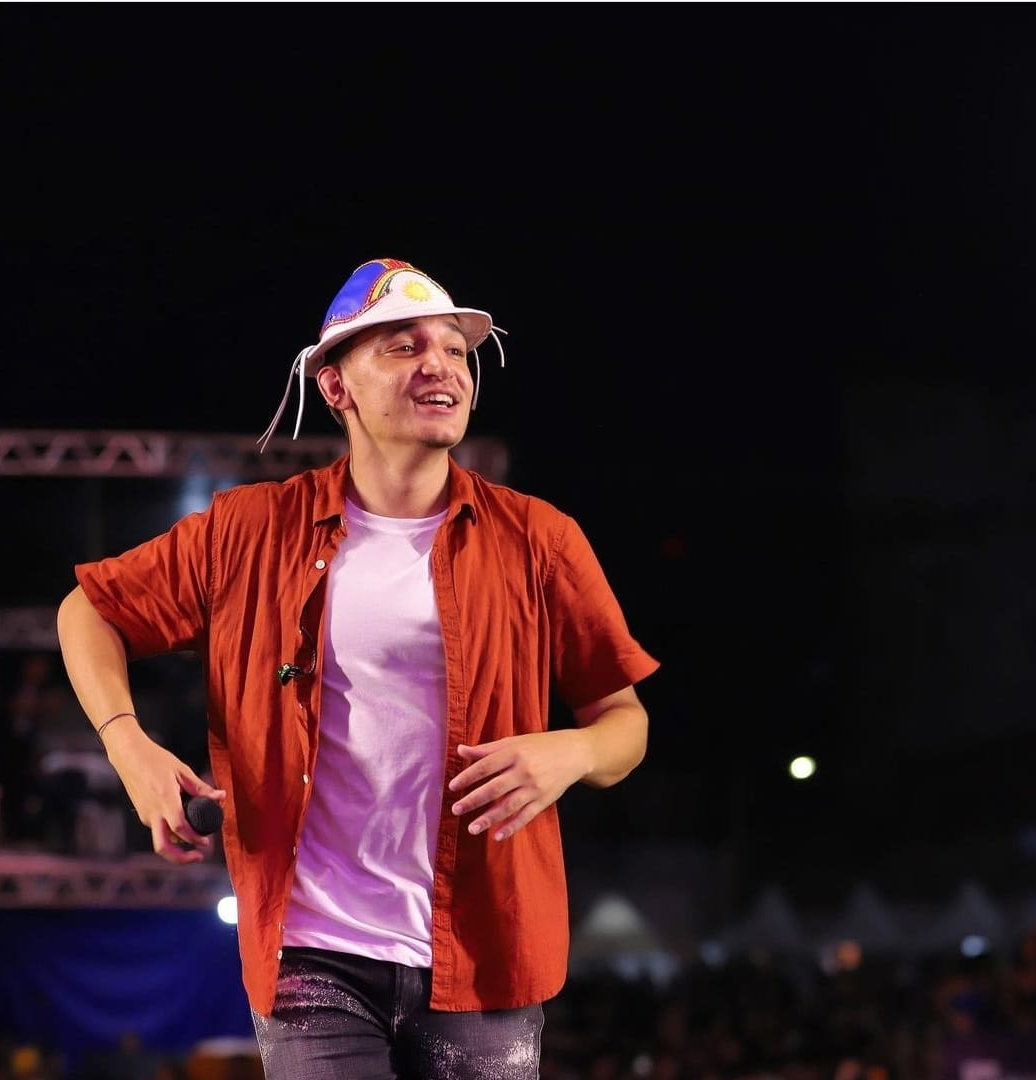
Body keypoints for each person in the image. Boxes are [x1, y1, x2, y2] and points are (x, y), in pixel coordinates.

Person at [56, 256, 660, 1079]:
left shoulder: (539, 540)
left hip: (484, 949)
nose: (441, 365)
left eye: (455, 349)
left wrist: (575, 750)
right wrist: (127, 744)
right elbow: (87, 610)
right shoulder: (248, 530)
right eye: (404, 347)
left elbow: (625, 725)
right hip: (313, 952)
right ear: (335, 385)